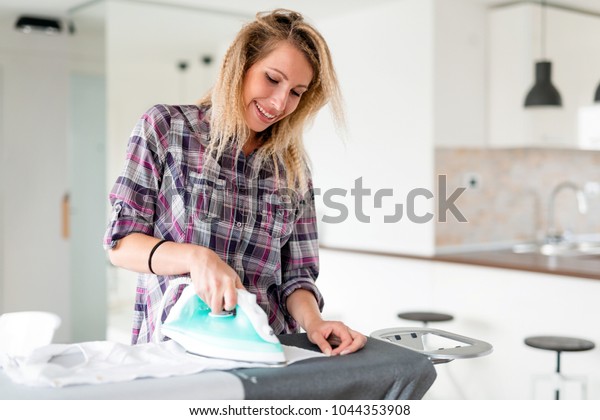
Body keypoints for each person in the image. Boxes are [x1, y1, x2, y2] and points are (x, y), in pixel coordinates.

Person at [103, 9, 366, 356]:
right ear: (240, 66)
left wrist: (315, 323)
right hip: (175, 355)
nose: (279, 103)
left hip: (266, 352)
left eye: (296, 92)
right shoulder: (166, 129)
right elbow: (121, 245)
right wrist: (197, 259)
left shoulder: (292, 167)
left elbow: (296, 277)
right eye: (272, 79)